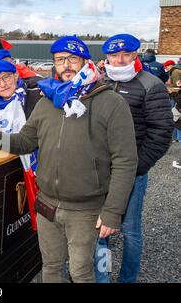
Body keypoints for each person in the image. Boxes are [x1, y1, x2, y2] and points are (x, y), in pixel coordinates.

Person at [0, 36, 138, 283]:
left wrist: (113, 211)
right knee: (50, 266)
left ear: (84, 62)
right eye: (60, 59)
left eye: (73, 59)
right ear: (54, 64)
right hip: (47, 203)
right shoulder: (47, 100)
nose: (66, 65)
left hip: (85, 209)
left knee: (80, 273)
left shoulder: (110, 102)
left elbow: (125, 160)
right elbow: (25, 142)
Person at [94, 34, 174, 283]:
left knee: (130, 231)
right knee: (100, 230)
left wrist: (136, 168)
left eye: (125, 55)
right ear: (106, 57)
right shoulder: (100, 82)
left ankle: (127, 279)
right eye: (114, 56)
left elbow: (161, 133)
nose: (119, 60)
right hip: (100, 173)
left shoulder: (151, 84)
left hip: (131, 173)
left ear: (135, 55)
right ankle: (102, 276)